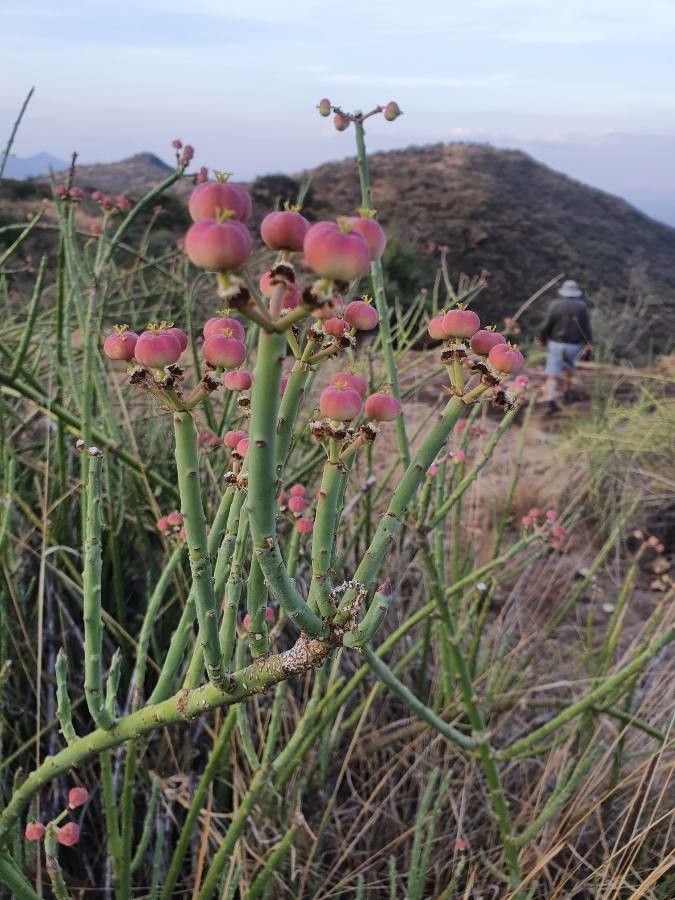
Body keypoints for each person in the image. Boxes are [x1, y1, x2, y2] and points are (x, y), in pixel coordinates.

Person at [540, 280, 592, 414]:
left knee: (552, 372)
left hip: (556, 344)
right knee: (568, 369)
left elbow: (547, 325)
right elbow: (586, 327)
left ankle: (551, 400)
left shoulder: (556, 305)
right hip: (574, 345)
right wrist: (588, 343)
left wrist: (543, 339)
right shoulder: (582, 307)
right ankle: (567, 394)